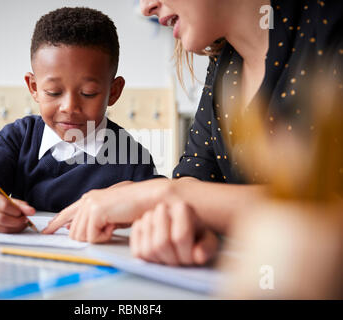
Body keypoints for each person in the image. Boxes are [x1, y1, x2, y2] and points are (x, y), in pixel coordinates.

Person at [43, 0, 342, 266]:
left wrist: (166, 194)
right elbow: (196, 179)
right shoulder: (223, 67)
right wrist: (187, 224)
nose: (146, 6)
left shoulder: (331, 23)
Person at [0, 7, 159, 233]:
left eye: (88, 93)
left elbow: (162, 205)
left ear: (113, 92)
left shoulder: (130, 157)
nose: (69, 107)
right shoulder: (20, 138)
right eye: (54, 92)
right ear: (34, 88)